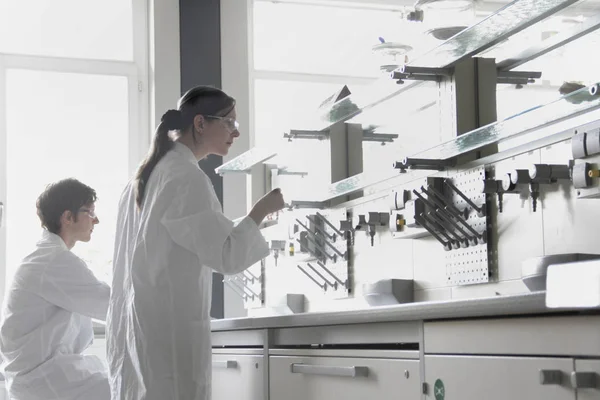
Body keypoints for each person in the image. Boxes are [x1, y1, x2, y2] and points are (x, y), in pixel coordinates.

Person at [107, 86, 285, 400]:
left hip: (141, 341)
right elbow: (226, 254)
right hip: (167, 343)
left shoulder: (143, 178)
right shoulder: (185, 177)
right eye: (229, 122)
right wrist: (260, 211)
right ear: (200, 124)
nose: (236, 131)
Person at [0, 178, 110, 400]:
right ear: (68, 217)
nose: (96, 220)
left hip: (39, 378)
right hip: (44, 381)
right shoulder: (54, 261)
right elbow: (110, 304)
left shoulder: (48, 258)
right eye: (90, 212)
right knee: (134, 388)